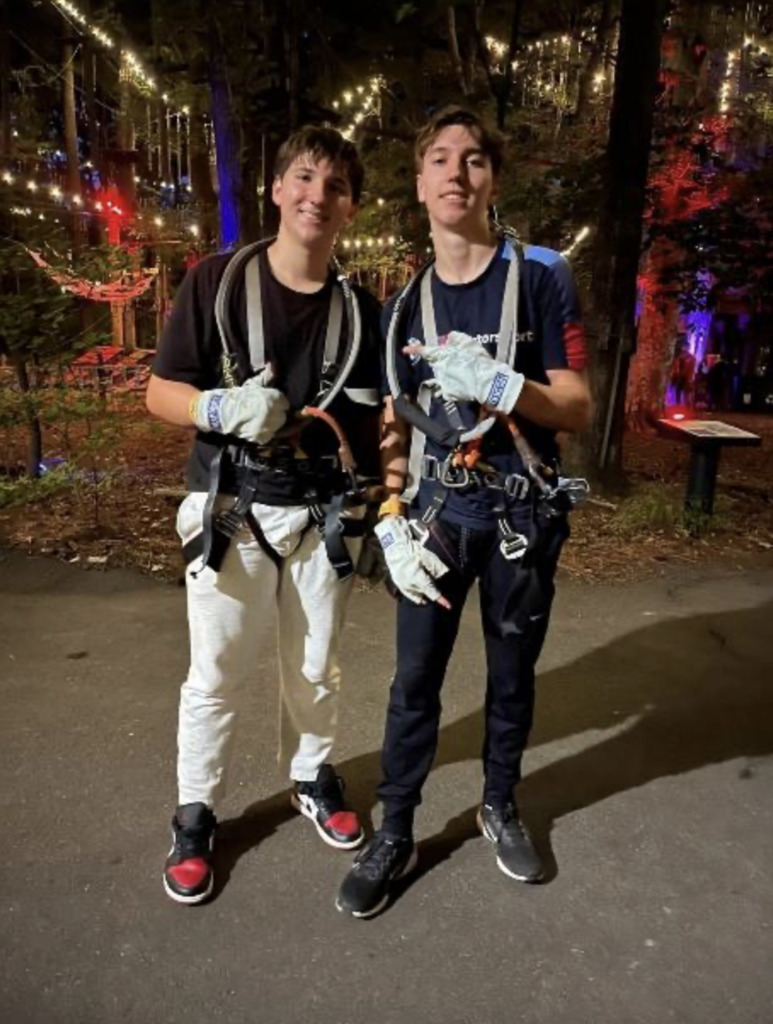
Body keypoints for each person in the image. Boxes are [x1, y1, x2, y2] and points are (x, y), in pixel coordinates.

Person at [336, 106, 592, 918]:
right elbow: (393, 421)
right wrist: (389, 514)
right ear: (419, 184)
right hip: (437, 517)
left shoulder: (540, 275)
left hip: (520, 519)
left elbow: (577, 405)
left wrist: (505, 385)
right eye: (439, 159)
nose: (456, 172)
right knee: (413, 682)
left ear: (492, 179)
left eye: (473, 159)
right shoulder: (402, 307)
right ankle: (395, 829)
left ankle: (498, 805)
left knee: (511, 678)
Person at [147, 126, 383, 905]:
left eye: (336, 185)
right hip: (232, 511)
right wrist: (214, 406)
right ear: (277, 189)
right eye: (304, 177)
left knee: (316, 664)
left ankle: (310, 775)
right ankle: (195, 812)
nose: (318, 195)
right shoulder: (215, 283)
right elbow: (160, 391)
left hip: (321, 517)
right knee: (215, 672)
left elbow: (376, 423)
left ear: (350, 207)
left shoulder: (361, 311)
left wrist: (389, 507)